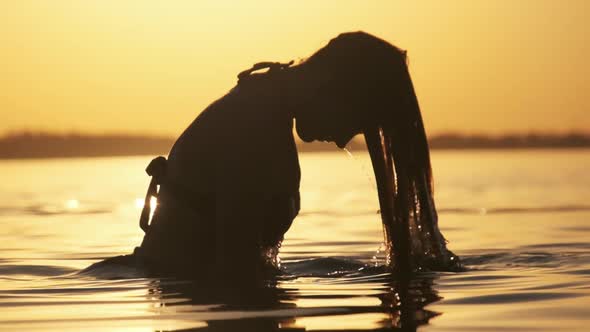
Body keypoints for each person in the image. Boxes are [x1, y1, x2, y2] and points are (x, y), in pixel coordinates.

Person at [132, 31, 459, 280]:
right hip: (178, 289)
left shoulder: (264, 113)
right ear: (333, 86)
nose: (345, 139)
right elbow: (235, 274)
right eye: (356, 121)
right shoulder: (252, 125)